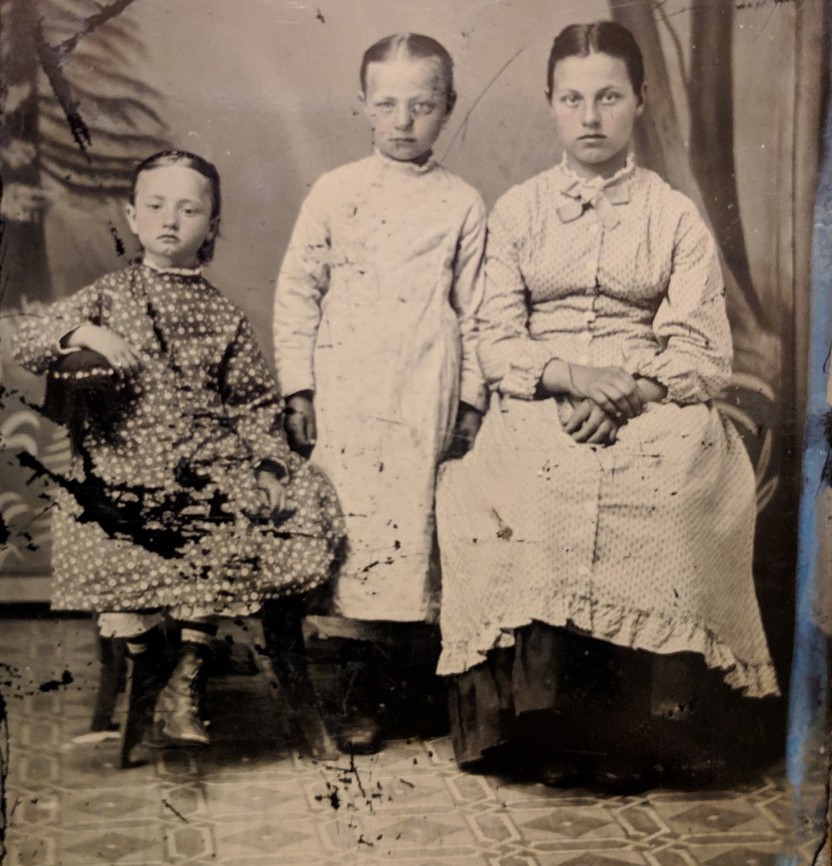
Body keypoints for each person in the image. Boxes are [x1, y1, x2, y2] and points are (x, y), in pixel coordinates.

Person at [434, 21, 779, 788]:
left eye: (609, 97)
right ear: (551, 104)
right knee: (535, 473)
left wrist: (629, 392)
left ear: (641, 101)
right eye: (572, 99)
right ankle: (547, 725)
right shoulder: (517, 212)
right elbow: (495, 339)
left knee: (675, 474)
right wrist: (572, 376)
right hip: (546, 389)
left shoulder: (673, 216)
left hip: (648, 393)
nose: (590, 117)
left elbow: (702, 349)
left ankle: (649, 729)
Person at [13, 150, 345, 766]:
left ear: (211, 225)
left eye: (189, 210)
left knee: (252, 502)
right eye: (156, 206)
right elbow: (28, 339)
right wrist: (85, 333)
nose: (170, 220)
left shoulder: (223, 314)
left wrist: (267, 464)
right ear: (132, 217)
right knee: (132, 515)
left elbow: (253, 402)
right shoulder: (111, 295)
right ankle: (156, 660)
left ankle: (188, 668)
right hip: (124, 457)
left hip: (205, 456)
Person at [274, 33, 487, 754]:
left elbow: (476, 310)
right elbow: (297, 292)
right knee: (358, 527)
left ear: (448, 107)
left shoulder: (462, 202)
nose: (403, 121)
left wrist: (472, 402)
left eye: (422, 106)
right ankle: (360, 685)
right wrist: (299, 388)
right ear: (362, 105)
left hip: (426, 385)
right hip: (349, 386)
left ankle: (411, 683)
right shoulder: (335, 191)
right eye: (387, 104)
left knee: (416, 527)